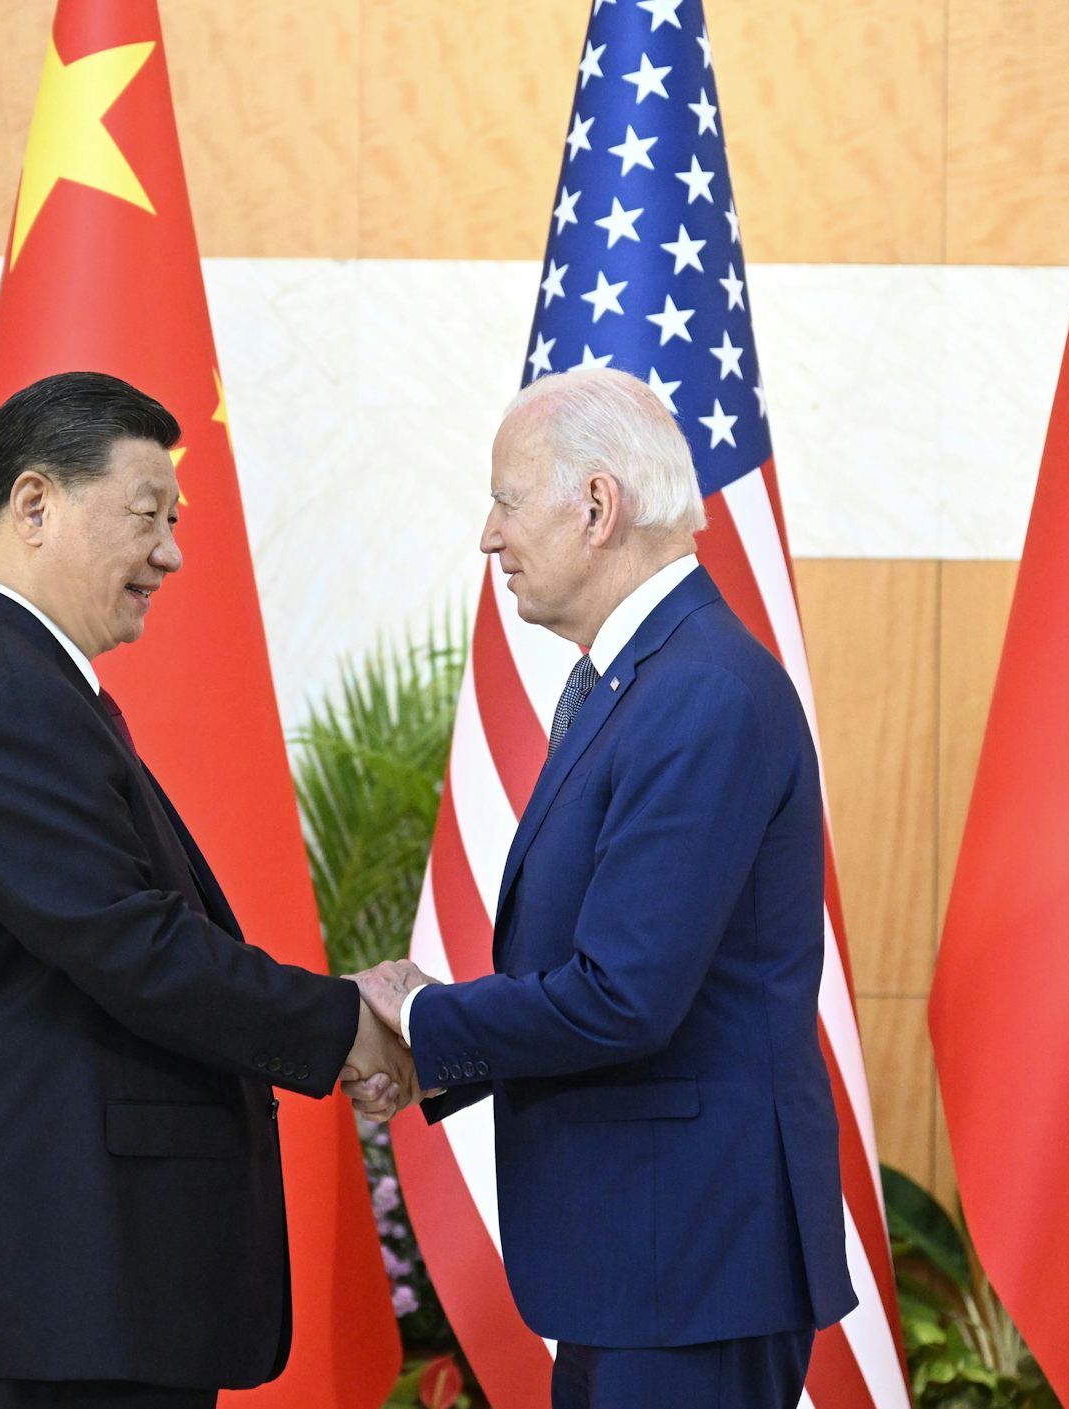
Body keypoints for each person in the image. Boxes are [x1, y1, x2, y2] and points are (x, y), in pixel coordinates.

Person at [0, 370, 413, 1409]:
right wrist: (347, 1020)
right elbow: (135, 946)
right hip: (62, 1287)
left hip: (85, 1291)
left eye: (175, 519)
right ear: (36, 504)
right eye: (146, 514)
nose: (169, 551)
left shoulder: (16, 682)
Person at [352, 368, 856, 1409]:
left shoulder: (699, 691)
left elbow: (626, 992)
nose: (489, 537)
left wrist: (425, 1017)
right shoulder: (647, 680)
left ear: (596, 505)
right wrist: (433, 1045)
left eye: (504, 499)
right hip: (646, 1259)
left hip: (688, 1263)